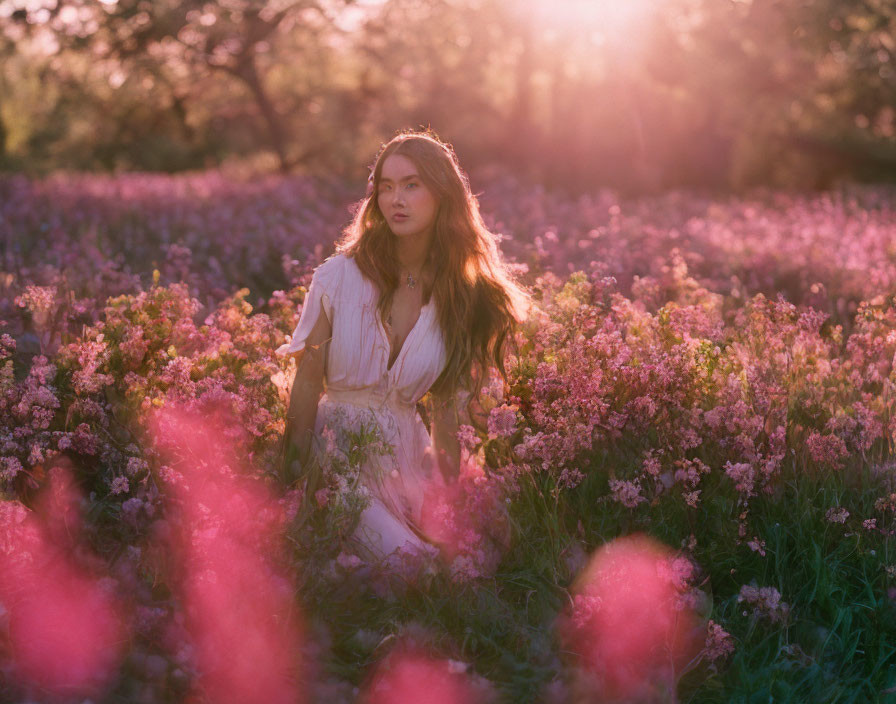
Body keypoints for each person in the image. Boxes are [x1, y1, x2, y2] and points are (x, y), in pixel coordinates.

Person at [276, 130, 530, 562]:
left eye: (412, 185)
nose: (397, 199)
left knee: (474, 559)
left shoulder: (459, 297)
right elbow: (307, 381)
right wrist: (292, 474)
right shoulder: (337, 276)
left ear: (442, 193)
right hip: (336, 455)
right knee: (409, 564)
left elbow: (446, 416)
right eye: (386, 187)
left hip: (407, 460)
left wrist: (451, 500)